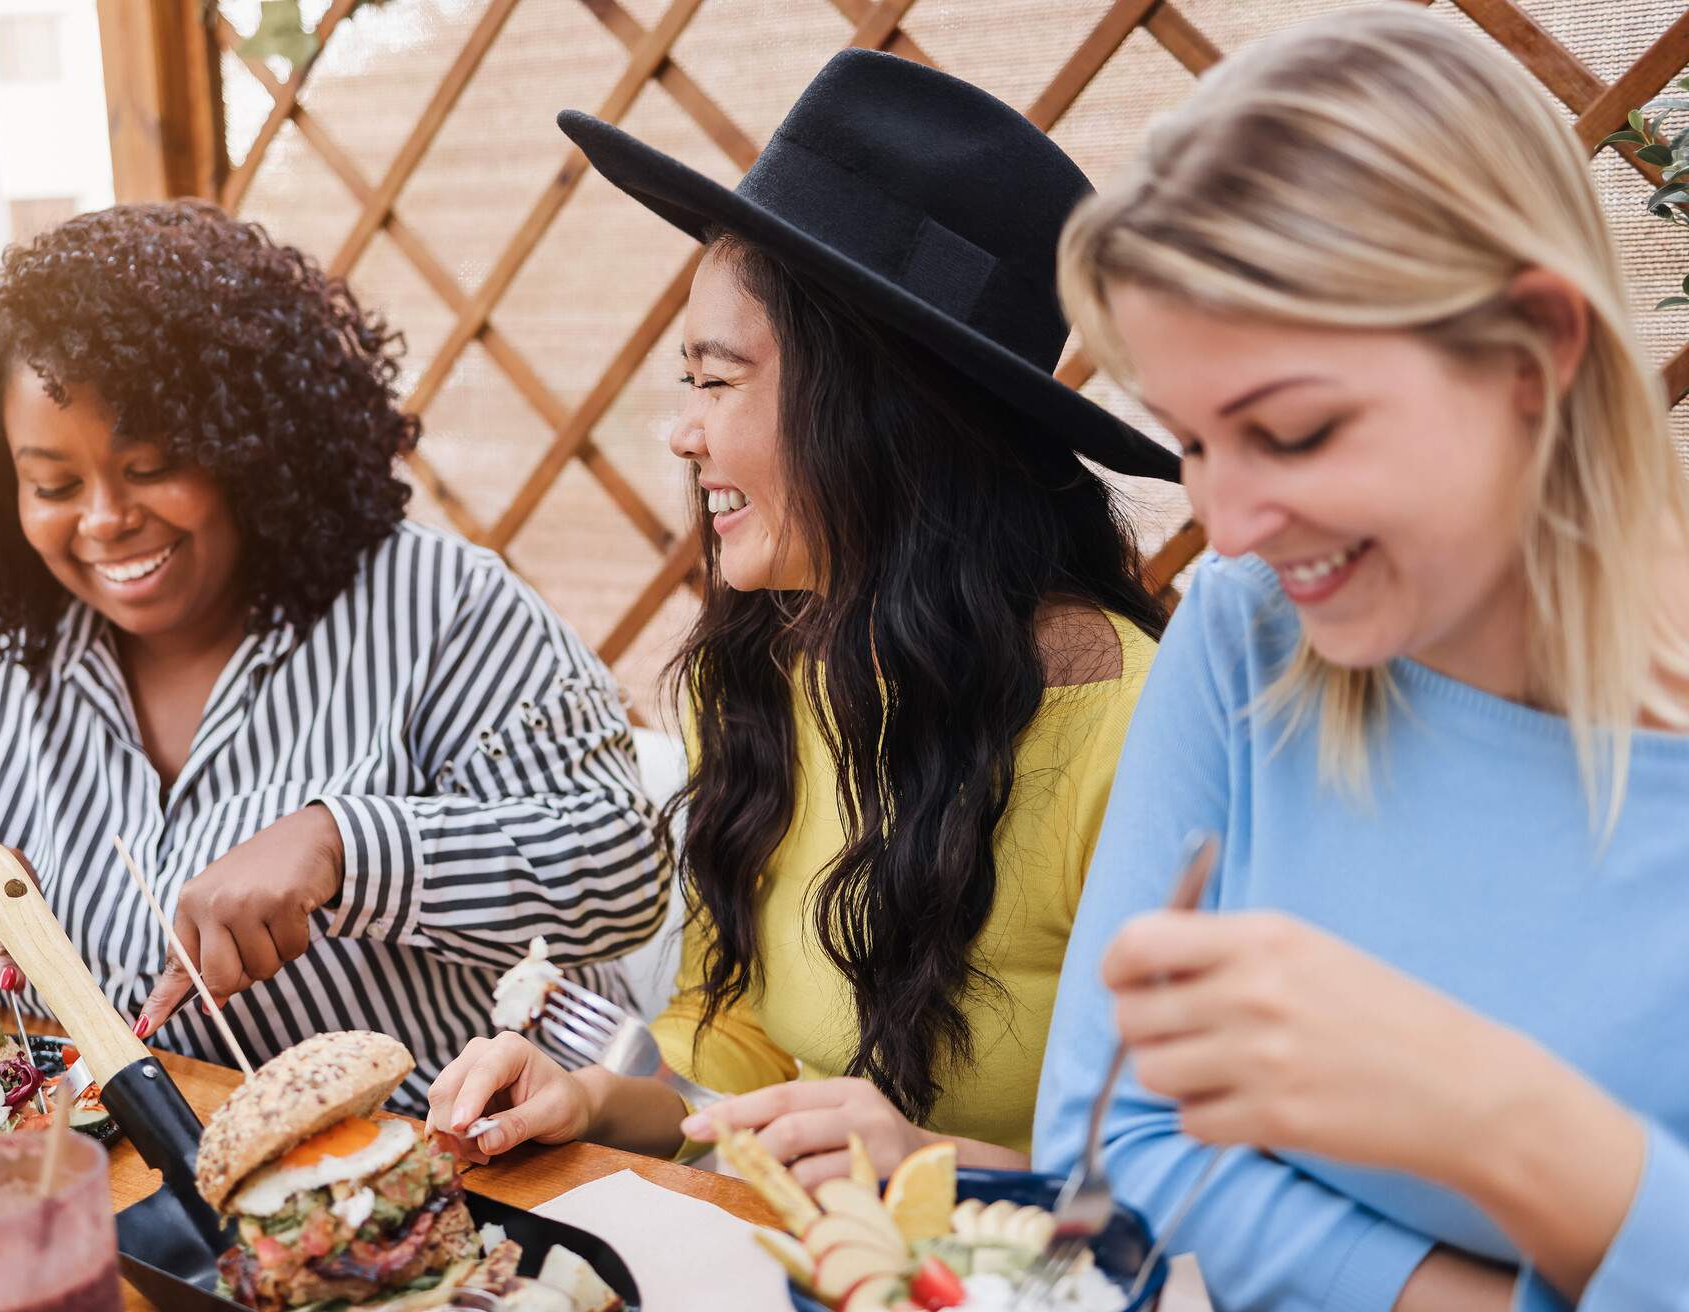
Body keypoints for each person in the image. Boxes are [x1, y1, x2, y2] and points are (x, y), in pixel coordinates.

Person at [425, 49, 1179, 1183]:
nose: (683, 433)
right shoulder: (771, 662)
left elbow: (1212, 1185)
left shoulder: (1136, 731)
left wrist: (934, 1160)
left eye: (717, 382)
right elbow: (738, 1052)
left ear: (884, 417)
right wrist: (583, 1097)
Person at [1034, 10, 1689, 1310]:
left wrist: (1494, 1116)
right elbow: (1112, 1146)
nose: (1223, 526)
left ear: (1536, 350)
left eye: (1294, 428)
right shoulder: (1250, 629)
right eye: (1194, 442)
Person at [0, 201, 666, 1110]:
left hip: (439, 1171)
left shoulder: (441, 608)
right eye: (53, 483)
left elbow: (624, 862)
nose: (105, 519)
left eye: (151, 465)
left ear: (255, 447)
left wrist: (347, 848)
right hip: (119, 1185)